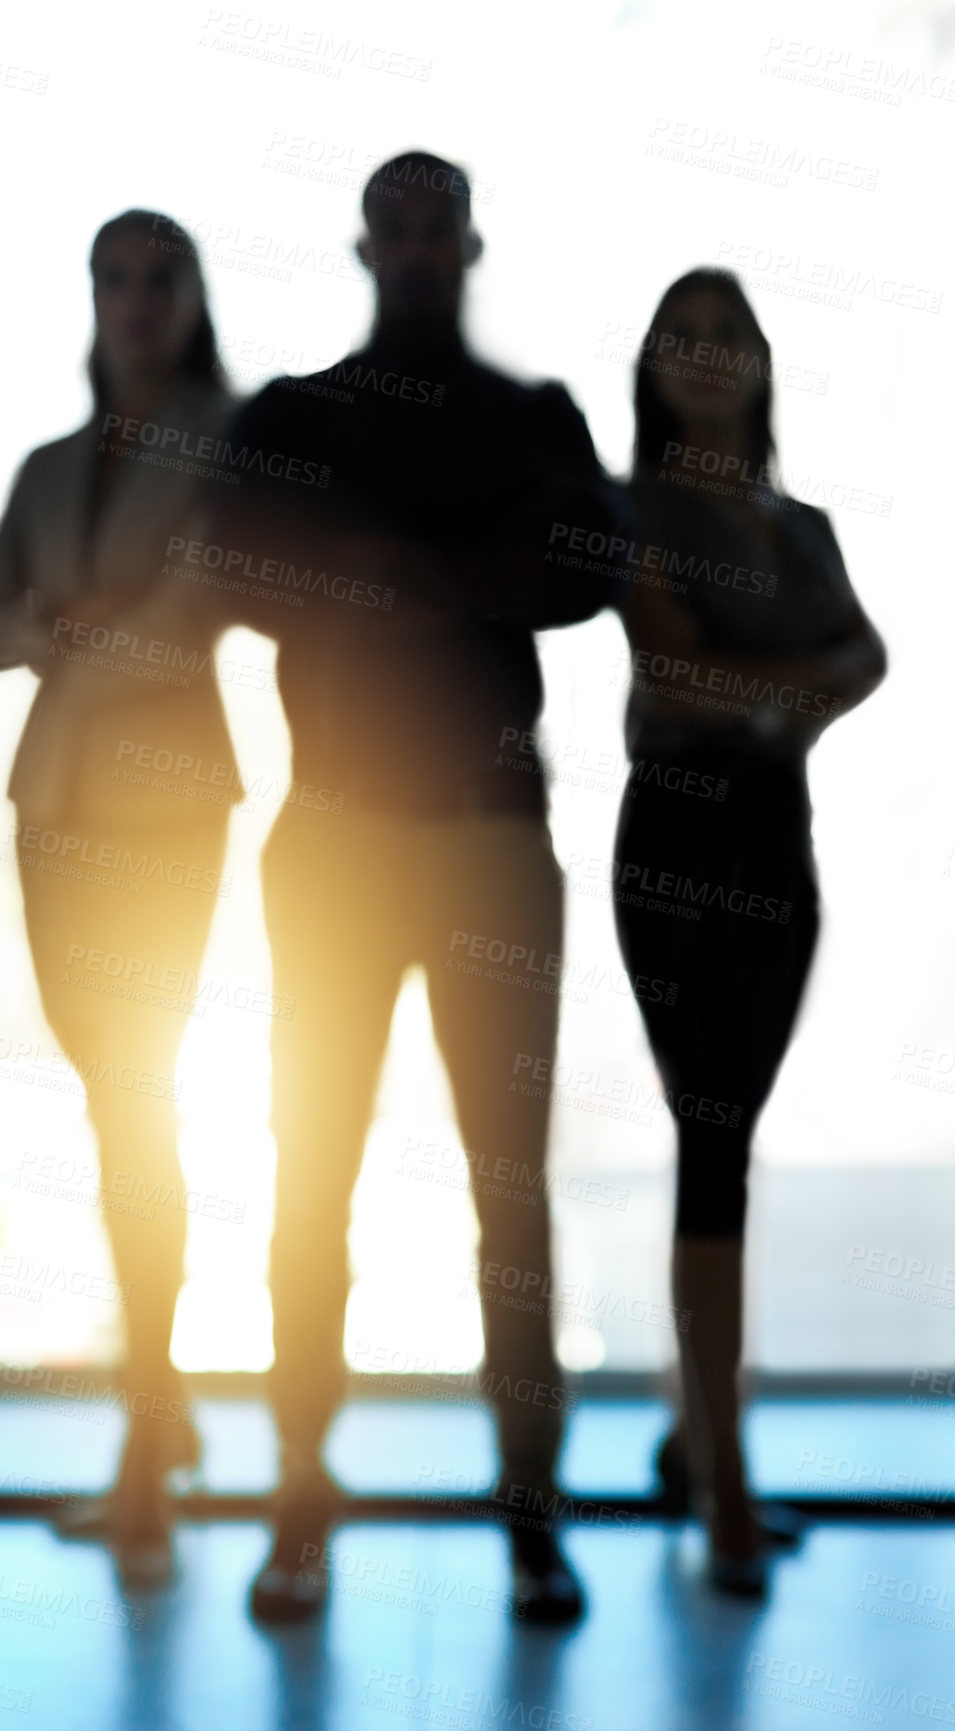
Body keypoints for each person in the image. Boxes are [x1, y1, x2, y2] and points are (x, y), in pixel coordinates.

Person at [207, 151, 623, 1624]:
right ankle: (301, 1508)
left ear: (467, 243)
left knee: (507, 1191)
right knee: (310, 1176)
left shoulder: (529, 417)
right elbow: (232, 561)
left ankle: (528, 1514)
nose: (421, 245)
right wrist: (451, 571)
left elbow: (588, 568)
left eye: (438, 223)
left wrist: (376, 569)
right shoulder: (301, 415)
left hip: (488, 834)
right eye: (401, 224)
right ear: (369, 243)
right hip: (339, 836)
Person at [0, 209, 241, 1588]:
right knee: (111, 1100)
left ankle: (146, 1444)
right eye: (115, 276)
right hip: (54, 808)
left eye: (161, 275)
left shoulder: (230, 443)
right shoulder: (51, 467)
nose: (136, 298)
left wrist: (60, 638)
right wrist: (61, 633)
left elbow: (195, 621)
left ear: (194, 296)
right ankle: (159, 1409)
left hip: (167, 803)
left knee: (140, 1100)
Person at [611, 268, 886, 1593]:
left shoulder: (804, 525)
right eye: (685, 335)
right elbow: (677, 674)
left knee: (732, 1139)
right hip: (677, 840)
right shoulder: (638, 509)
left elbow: (868, 658)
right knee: (709, 1141)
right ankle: (726, 1486)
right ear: (652, 368)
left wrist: (761, 699)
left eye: (731, 333)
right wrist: (790, 692)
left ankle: (692, 1434)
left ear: (763, 361)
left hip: (780, 842)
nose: (709, 354)